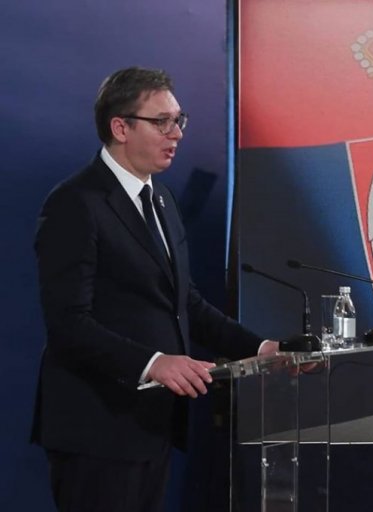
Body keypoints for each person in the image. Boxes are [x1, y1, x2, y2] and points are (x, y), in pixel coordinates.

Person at [31, 66, 276, 512]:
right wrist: (153, 363)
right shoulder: (75, 203)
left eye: (178, 120)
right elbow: (68, 324)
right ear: (120, 127)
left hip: (151, 424)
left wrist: (260, 348)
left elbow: (186, 303)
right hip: (97, 429)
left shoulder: (162, 199)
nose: (176, 133)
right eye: (161, 121)